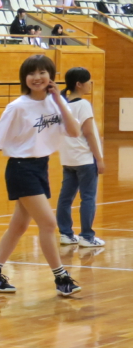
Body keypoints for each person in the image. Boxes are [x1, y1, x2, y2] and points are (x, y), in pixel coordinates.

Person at [0, 54, 82, 297]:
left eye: (42, 72)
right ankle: (61, 277)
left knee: (18, 226)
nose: (37, 77)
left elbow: (74, 131)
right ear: (24, 78)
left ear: (51, 76)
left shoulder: (57, 102)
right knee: (48, 224)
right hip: (20, 168)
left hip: (41, 167)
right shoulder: (17, 107)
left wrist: (59, 101)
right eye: (31, 73)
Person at [56, 66, 105, 248]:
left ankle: (66, 234)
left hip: (68, 159)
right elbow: (89, 133)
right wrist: (99, 159)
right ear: (79, 84)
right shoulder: (83, 104)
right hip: (85, 158)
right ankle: (87, 236)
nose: (90, 84)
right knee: (88, 198)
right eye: (88, 81)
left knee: (65, 198)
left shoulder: (61, 104)